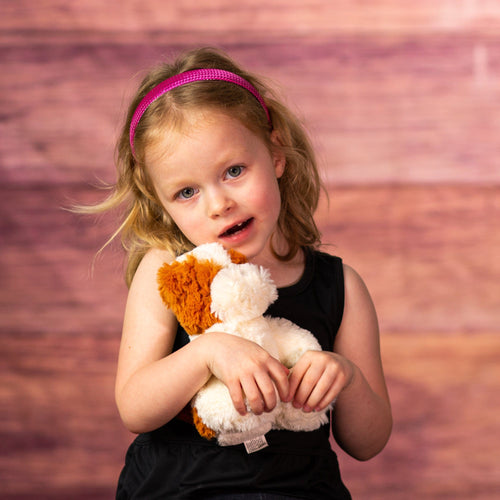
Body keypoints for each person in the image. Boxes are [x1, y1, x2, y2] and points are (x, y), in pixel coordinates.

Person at [93, 47, 392, 499]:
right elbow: (135, 408)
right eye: (186, 192)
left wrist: (345, 376)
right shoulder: (165, 271)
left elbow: (368, 442)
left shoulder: (340, 286)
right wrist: (205, 353)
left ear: (275, 155)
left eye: (234, 171)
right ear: (160, 201)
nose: (219, 205)